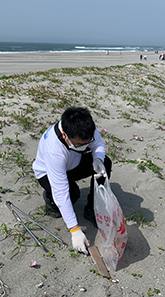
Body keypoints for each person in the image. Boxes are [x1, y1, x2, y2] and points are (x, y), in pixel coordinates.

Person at [33, 107, 112, 254]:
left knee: (106, 163)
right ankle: (50, 200)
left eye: (86, 143)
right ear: (65, 135)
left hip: (73, 163)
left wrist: (97, 159)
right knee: (71, 194)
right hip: (47, 173)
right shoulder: (54, 150)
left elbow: (98, 144)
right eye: (79, 144)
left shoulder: (87, 127)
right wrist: (75, 230)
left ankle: (92, 209)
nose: (84, 146)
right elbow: (61, 191)